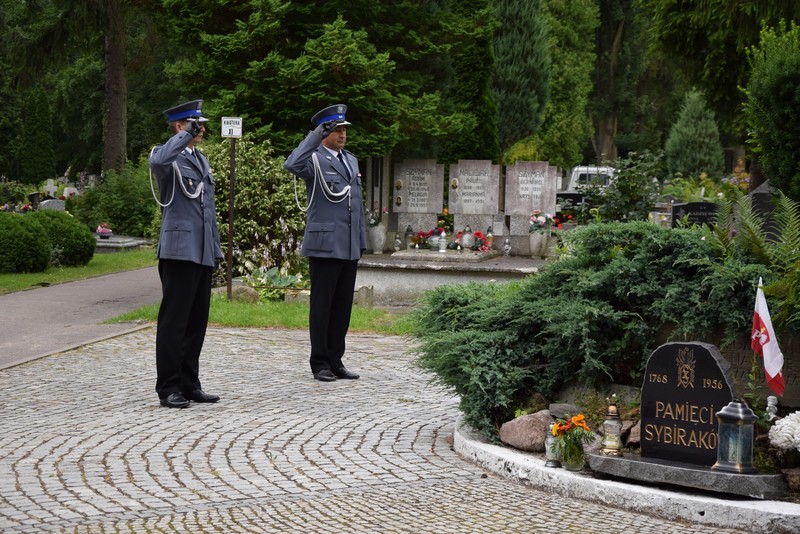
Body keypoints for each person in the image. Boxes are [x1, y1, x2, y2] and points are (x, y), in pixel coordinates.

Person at [149, 100, 223, 408]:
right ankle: (168, 386)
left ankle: (190, 382)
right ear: (181, 126)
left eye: (201, 124)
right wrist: (182, 136)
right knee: (174, 322)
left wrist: (216, 250)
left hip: (202, 251)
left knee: (196, 322)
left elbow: (208, 211)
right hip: (179, 251)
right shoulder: (165, 155)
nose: (202, 129)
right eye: (196, 124)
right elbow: (159, 163)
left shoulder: (200, 159)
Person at [284, 104, 366, 382]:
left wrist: (360, 241)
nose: (342, 134)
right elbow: (292, 164)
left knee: (342, 306)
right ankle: (319, 362)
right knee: (322, 305)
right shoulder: (314, 158)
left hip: (348, 244)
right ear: (326, 132)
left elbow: (356, 204)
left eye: (344, 129)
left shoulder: (350, 160)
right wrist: (316, 135)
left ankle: (336, 359)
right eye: (337, 129)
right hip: (324, 244)